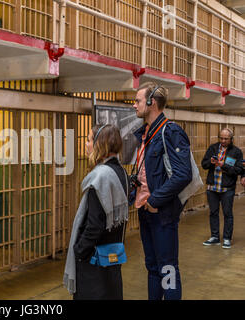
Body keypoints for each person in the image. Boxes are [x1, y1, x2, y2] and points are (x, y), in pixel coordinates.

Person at [130, 82, 192, 300]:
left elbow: (183, 174)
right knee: (153, 266)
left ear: (151, 103)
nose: (134, 105)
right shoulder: (146, 133)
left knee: (167, 268)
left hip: (161, 213)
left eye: (138, 101)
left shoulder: (170, 132)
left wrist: (155, 200)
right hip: (145, 209)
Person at [63, 124, 128, 300]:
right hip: (113, 255)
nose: (86, 144)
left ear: (101, 144)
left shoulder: (100, 178)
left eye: (89, 139)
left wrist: (79, 250)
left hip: (94, 262)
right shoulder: (121, 172)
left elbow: (95, 224)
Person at [201, 128, 243, 249]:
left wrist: (223, 165)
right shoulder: (213, 148)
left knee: (227, 214)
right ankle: (214, 237)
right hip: (212, 187)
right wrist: (211, 161)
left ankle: (226, 238)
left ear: (231, 139)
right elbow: (204, 164)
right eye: (221, 138)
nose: (223, 141)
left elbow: (238, 170)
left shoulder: (236, 152)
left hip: (227, 189)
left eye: (226, 139)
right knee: (213, 213)